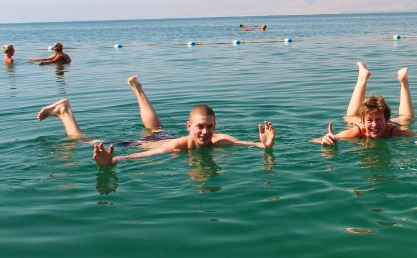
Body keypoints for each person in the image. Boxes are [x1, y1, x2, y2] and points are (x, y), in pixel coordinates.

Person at [36, 75, 275, 166]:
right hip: (154, 143)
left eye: (210, 127)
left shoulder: (220, 140)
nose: (205, 132)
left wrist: (263, 146)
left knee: (155, 128)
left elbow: (248, 144)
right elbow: (140, 156)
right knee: (83, 140)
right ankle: (64, 111)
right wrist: (112, 161)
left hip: (162, 135)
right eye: (200, 127)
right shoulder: (175, 147)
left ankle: (138, 89)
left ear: (215, 126)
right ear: (189, 127)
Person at [316, 62, 417, 144]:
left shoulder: (392, 130)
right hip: (367, 123)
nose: (374, 125)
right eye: (369, 121)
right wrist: (325, 139)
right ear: (363, 122)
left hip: (390, 124)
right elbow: (316, 140)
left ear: (387, 121)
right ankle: (364, 78)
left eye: (379, 120)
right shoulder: (357, 131)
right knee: (406, 118)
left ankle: (402, 82)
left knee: (406, 119)